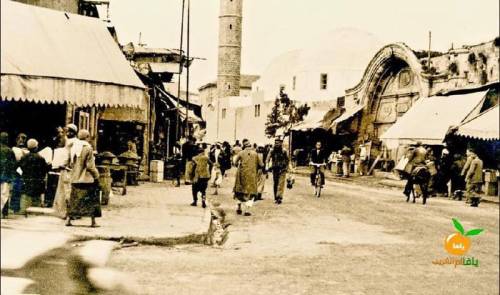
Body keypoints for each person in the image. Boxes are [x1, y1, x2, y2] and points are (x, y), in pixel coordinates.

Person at [66, 130, 100, 227]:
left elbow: (69, 162)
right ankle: (93, 222)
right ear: (87, 137)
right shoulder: (88, 148)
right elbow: (90, 166)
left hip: (74, 177)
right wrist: (96, 175)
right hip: (86, 178)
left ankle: (69, 220)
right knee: (92, 200)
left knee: (74, 199)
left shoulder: (73, 147)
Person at [52, 124, 78, 219]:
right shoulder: (68, 141)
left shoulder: (73, 142)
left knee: (68, 191)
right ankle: (64, 212)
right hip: (65, 168)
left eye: (69, 131)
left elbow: (69, 156)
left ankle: (68, 213)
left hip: (69, 169)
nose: (67, 133)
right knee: (64, 190)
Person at [19, 139, 50, 215]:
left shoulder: (24, 157)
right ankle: (36, 212)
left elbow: (19, 168)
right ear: (36, 147)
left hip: (26, 180)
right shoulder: (40, 158)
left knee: (26, 197)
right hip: (38, 181)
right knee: (36, 198)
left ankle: (24, 211)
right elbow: (45, 169)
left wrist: (23, 175)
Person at [233, 139, 263, 216]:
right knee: (250, 192)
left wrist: (240, 166)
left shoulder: (241, 153)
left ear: (243, 145)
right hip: (252, 175)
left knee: (239, 191)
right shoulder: (255, 154)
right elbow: (261, 165)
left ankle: (239, 207)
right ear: (250, 145)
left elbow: (235, 163)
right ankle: (247, 210)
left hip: (241, 174)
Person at [267, 138, 289, 204]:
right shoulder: (272, 151)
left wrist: (287, 167)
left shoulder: (284, 151)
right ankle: (276, 197)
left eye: (278, 143)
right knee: (276, 183)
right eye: (276, 143)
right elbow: (268, 159)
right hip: (275, 169)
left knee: (281, 183)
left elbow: (287, 160)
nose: (277, 144)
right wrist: (267, 166)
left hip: (282, 169)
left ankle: (279, 197)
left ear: (281, 143)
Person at [1, 132, 17, 217]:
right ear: (6, 140)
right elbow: (14, 165)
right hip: (5, 176)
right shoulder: (10, 151)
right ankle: (4, 212)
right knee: (5, 194)